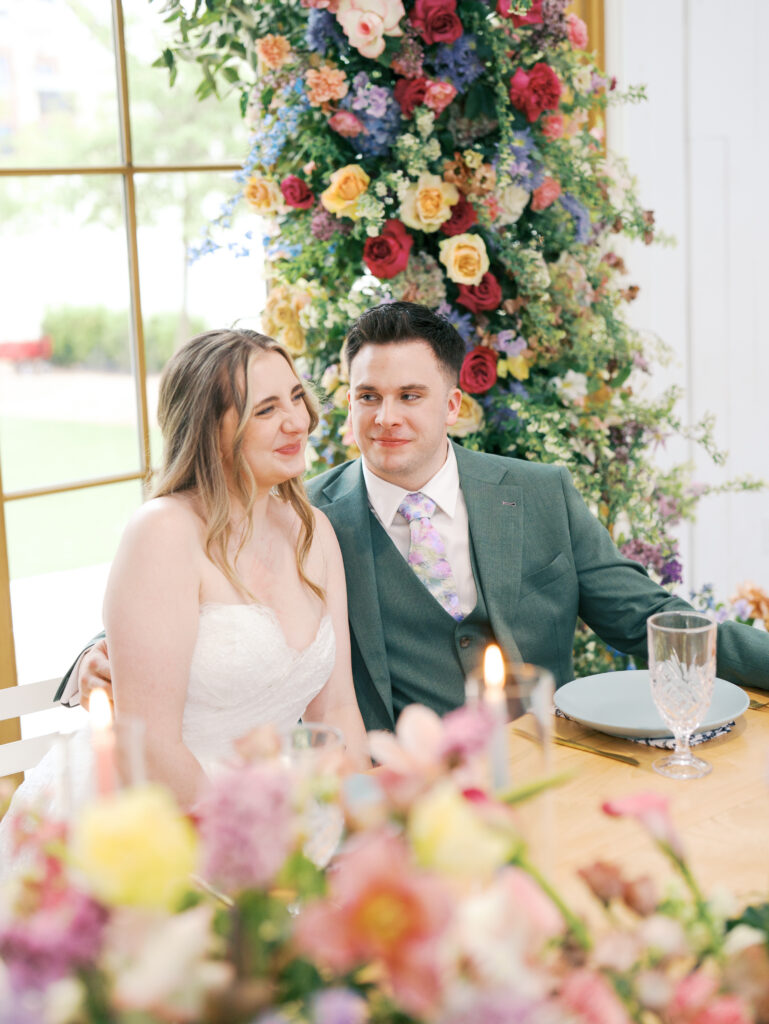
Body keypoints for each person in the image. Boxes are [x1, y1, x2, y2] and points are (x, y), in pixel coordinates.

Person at [61, 303, 769, 732]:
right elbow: (170, 598)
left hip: (542, 770)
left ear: (452, 404)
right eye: (367, 396)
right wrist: (89, 663)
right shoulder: (307, 515)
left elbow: (646, 616)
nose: (386, 418)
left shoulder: (540, 493)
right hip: (396, 797)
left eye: (409, 394)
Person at [7, 328, 369, 834]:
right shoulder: (164, 533)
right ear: (209, 430)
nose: (297, 421)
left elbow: (336, 709)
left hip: (279, 813)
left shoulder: (312, 529)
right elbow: (151, 747)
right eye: (265, 410)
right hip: (163, 820)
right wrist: (248, 852)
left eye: (295, 397)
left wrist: (370, 819)